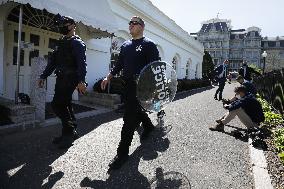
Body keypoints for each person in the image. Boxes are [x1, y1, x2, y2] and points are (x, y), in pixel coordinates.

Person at [101, 16, 160, 171]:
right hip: (127, 85)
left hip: (141, 86)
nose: (131, 25)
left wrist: (154, 88)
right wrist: (109, 76)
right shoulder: (126, 45)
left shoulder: (149, 45)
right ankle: (148, 127)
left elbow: (155, 67)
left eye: (135, 23)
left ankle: (122, 154)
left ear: (142, 26)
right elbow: (119, 63)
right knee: (134, 111)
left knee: (129, 119)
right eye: (130, 23)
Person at [38, 16, 87, 149]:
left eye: (64, 24)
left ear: (72, 25)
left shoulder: (77, 43)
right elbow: (52, 62)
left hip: (71, 79)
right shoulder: (60, 42)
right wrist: (43, 76)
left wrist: (82, 81)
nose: (61, 26)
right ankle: (70, 131)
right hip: (61, 78)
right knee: (64, 104)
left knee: (56, 105)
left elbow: (82, 64)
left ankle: (69, 132)